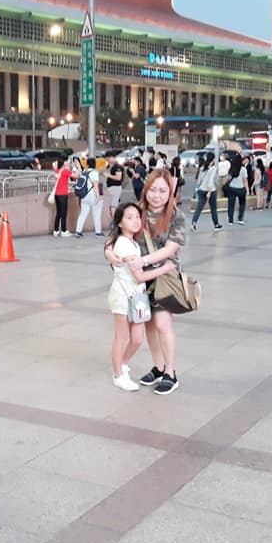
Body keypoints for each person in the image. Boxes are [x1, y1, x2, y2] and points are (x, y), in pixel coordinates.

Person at [113, 170, 185, 396]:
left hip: (163, 277)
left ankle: (170, 373)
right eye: (153, 189)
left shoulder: (176, 216)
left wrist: (142, 261)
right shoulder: (136, 211)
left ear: (170, 192)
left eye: (163, 191)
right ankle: (158, 367)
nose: (157, 195)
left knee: (162, 324)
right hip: (139, 281)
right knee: (150, 326)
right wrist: (109, 254)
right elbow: (115, 236)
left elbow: (170, 249)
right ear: (146, 189)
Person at [104, 202, 177, 391]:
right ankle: (118, 375)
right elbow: (139, 276)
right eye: (129, 218)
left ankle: (122, 364)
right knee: (122, 337)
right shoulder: (123, 244)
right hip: (123, 296)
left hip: (137, 297)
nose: (136, 221)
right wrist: (166, 268)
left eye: (137, 217)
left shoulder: (132, 242)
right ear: (119, 222)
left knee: (137, 338)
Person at [73, 157, 104, 238]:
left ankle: (78, 231)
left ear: (87, 164)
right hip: (92, 196)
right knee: (96, 214)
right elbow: (95, 185)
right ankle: (98, 232)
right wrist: (98, 196)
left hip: (84, 196)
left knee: (83, 214)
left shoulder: (84, 172)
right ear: (95, 164)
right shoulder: (95, 173)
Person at [191, 155, 222, 232]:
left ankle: (194, 223)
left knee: (199, 207)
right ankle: (216, 225)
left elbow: (199, 180)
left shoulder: (202, 167)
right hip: (211, 190)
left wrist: (198, 188)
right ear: (213, 159)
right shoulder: (213, 168)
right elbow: (211, 181)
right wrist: (209, 192)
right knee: (213, 208)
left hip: (201, 189)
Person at [225, 155, 249, 225]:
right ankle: (240, 219)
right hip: (241, 188)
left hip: (232, 188)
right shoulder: (243, 169)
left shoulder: (231, 169)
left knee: (231, 205)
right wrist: (247, 190)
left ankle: (230, 221)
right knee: (242, 204)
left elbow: (228, 178)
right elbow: (245, 180)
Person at [51, 160, 72, 237]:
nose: (67, 163)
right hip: (63, 195)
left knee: (59, 213)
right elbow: (76, 176)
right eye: (66, 162)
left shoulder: (58, 171)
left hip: (57, 194)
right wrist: (79, 167)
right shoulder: (65, 171)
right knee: (64, 213)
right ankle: (64, 230)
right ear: (63, 164)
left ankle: (56, 230)